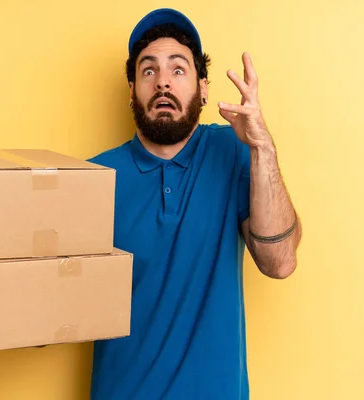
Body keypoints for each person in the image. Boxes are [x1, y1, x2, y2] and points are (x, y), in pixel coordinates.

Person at [87, 8, 302, 400]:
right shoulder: (93, 178)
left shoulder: (233, 151)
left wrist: (262, 147)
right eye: (148, 71)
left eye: (178, 69)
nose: (163, 82)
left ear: (203, 88)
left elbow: (280, 261)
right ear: (131, 90)